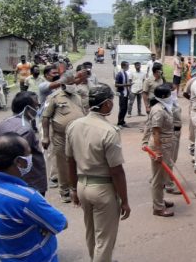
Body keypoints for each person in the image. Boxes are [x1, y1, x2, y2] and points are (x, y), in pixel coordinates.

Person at [66, 84, 130, 262]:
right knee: (105, 239)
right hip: (103, 188)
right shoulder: (109, 131)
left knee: (91, 232)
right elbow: (116, 170)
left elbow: (69, 161)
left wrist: (72, 189)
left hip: (82, 185)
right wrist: (124, 200)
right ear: (107, 104)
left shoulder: (74, 126)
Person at [0, 133, 68, 262]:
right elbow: (61, 223)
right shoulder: (27, 198)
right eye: (28, 153)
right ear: (19, 161)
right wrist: (43, 225)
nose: (31, 157)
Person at [0, 91, 47, 195]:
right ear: (27, 109)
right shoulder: (25, 130)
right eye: (36, 106)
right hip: (29, 182)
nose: (38, 108)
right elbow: (21, 160)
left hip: (7, 180)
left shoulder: (3, 123)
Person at [41, 74, 86, 203]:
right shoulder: (53, 97)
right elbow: (45, 117)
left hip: (77, 136)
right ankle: (65, 191)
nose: (73, 86)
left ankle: (76, 188)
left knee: (78, 161)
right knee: (63, 164)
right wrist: (45, 137)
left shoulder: (77, 97)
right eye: (70, 83)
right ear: (62, 84)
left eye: (74, 83)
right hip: (60, 136)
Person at [145, 84, 182, 217]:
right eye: (169, 95)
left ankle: (160, 200)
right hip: (160, 147)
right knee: (158, 179)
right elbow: (155, 132)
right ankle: (158, 208)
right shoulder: (158, 110)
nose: (171, 97)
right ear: (163, 97)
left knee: (162, 177)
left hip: (166, 145)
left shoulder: (164, 107)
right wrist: (158, 152)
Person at [114, 61, 131, 127]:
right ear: (123, 66)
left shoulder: (125, 73)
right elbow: (116, 84)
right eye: (127, 66)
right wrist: (126, 84)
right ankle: (119, 122)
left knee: (125, 108)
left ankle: (122, 121)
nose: (128, 67)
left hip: (126, 93)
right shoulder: (119, 74)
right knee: (122, 108)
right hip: (122, 93)